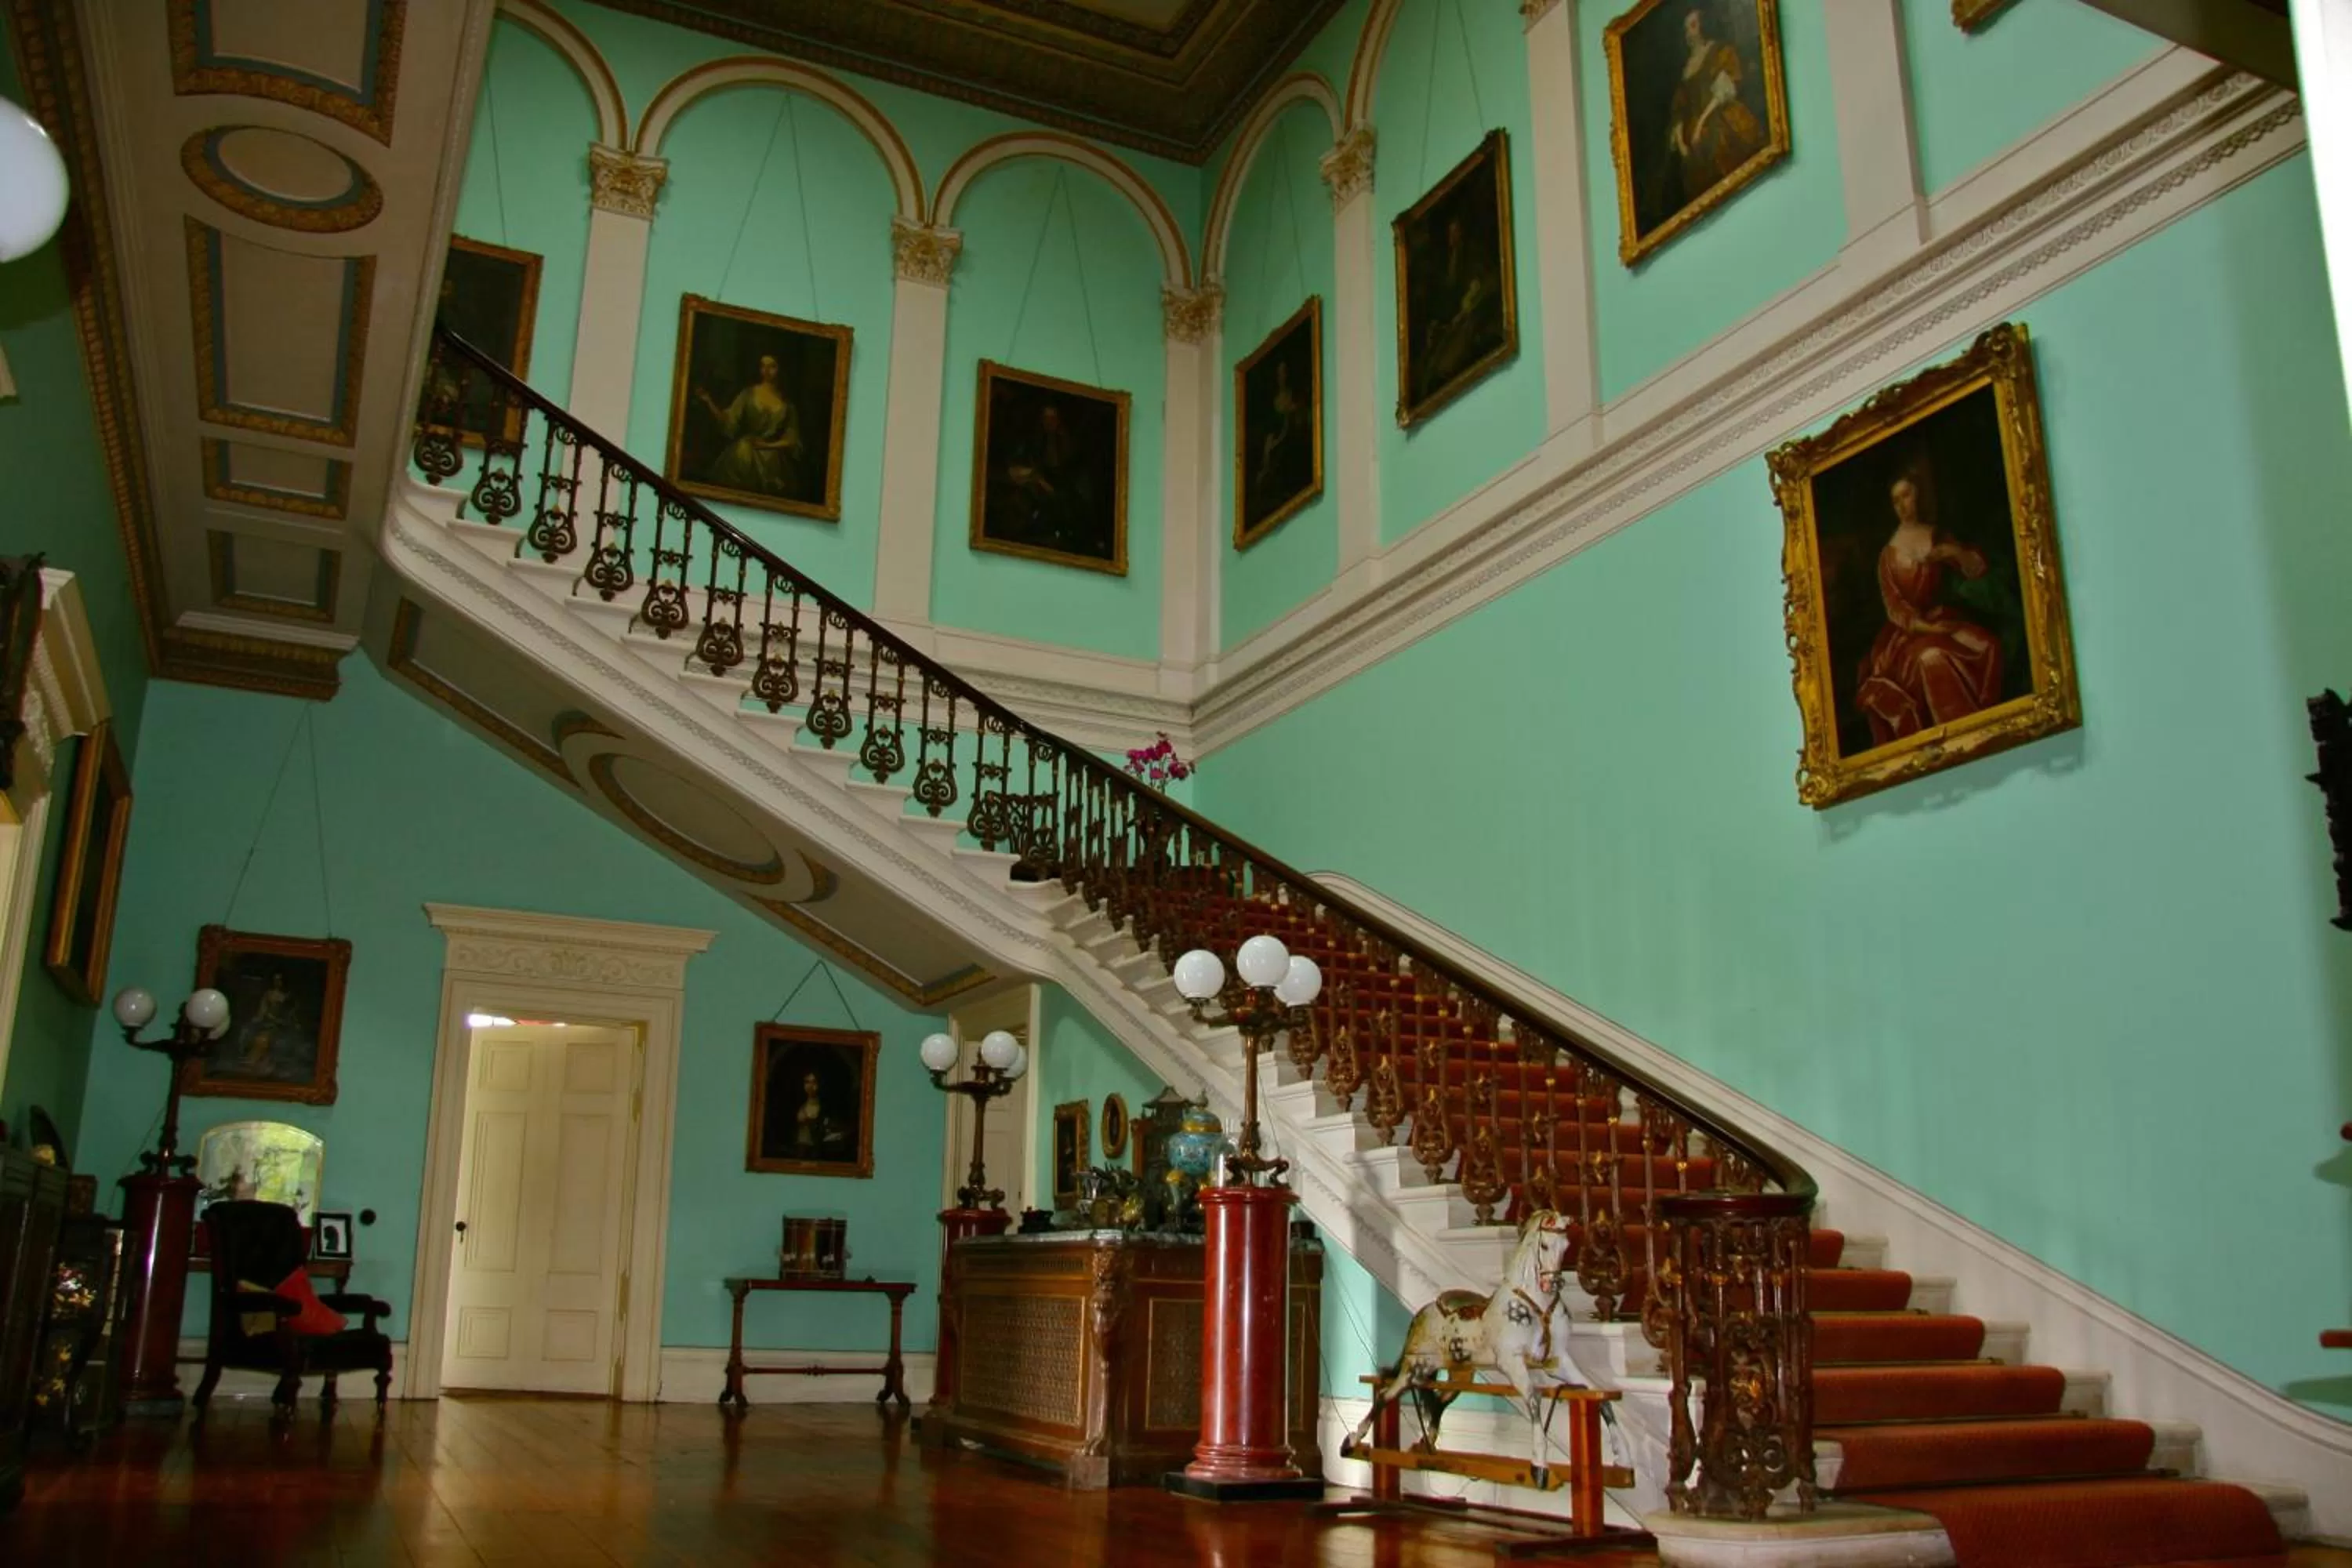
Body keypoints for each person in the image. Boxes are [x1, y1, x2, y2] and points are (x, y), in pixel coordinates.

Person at [1853, 458, 2004, 746]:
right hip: (1908, 636)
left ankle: (1991, 727)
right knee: (1932, 658)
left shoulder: (1937, 535)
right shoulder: (1888, 555)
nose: (1902, 505)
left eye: (1906, 496)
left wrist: (1953, 552)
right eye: (1895, 500)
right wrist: (1931, 630)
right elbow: (1896, 609)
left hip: (1942, 617)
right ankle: (1963, 741)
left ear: (1918, 495)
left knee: (1989, 646)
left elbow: (1977, 570)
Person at [1664, 5, 1768, 208]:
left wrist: (1702, 121)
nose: (1689, 32)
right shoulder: (1687, 69)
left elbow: (1724, 89)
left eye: (1693, 26)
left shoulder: (1719, 52)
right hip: (1696, 129)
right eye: (1687, 28)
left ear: (1703, 26)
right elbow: (1679, 109)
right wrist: (1682, 143)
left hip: (1719, 115)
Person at [1415, 212, 1502, 403]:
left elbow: (1485, 283)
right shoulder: (1449, 262)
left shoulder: (1472, 255)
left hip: (1473, 310)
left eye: (1456, 231)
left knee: (1451, 351)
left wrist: (1468, 306)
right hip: (1458, 315)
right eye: (1450, 232)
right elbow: (1449, 296)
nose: (1453, 237)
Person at [993, 400, 1100, 556]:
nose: (1049, 423)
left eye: (1053, 418)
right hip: (1037, 491)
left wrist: (1049, 485)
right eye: (1046, 419)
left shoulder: (1070, 447)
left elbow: (1071, 477)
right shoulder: (1034, 443)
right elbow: (1023, 466)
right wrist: (1035, 478)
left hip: (1063, 495)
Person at [693, 351, 804, 499]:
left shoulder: (788, 405)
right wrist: (709, 401)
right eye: (763, 366)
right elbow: (728, 420)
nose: (766, 371)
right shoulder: (748, 393)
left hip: (773, 462)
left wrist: (767, 446)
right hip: (744, 453)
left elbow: (792, 440)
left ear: (780, 370)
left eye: (772, 366)